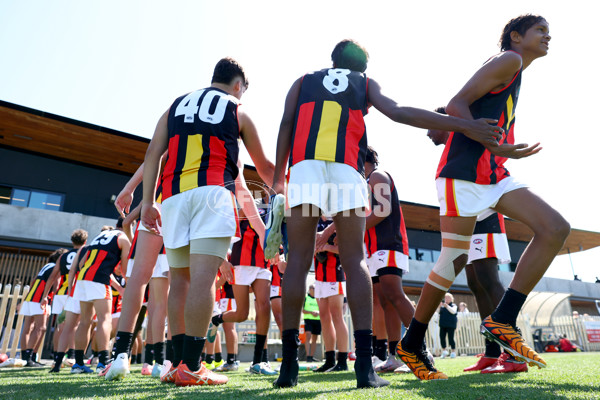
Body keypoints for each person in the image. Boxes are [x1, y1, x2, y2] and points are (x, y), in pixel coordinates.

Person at [269, 38, 503, 389]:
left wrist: (277, 179)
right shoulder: (364, 83)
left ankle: (288, 367)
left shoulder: (302, 81)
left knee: (299, 258)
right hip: (347, 168)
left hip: (303, 168)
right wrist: (465, 125)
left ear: (333, 60)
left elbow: (286, 123)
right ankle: (365, 367)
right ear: (362, 67)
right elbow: (397, 111)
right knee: (355, 259)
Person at [397, 15, 570, 381]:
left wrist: (502, 149)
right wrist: (497, 144)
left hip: (491, 173)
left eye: (548, 31)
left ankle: (503, 318)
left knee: (554, 227)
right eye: (540, 30)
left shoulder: (515, 69)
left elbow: (471, 114)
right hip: (463, 174)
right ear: (516, 36)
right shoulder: (510, 59)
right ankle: (412, 342)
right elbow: (456, 104)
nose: (548, 36)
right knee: (453, 261)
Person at [140, 57, 274, 387]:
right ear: (239, 85)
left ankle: (176, 364)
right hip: (212, 195)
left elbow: (152, 154)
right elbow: (261, 172)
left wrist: (147, 202)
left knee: (180, 281)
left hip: (172, 197)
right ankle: (194, 365)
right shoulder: (236, 109)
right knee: (204, 280)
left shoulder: (175, 106)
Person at [208, 200, 277, 376]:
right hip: (241, 262)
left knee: (264, 307)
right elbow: (223, 232)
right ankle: (216, 320)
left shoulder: (275, 209)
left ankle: (259, 360)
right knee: (241, 314)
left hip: (264, 262)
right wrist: (223, 259)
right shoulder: (245, 207)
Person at [71, 226, 130, 373]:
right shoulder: (123, 238)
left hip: (83, 278)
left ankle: (78, 364)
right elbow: (125, 268)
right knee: (105, 319)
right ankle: (103, 362)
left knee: (85, 321)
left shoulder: (99, 236)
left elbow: (81, 263)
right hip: (99, 280)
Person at [42, 229, 88, 362]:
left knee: (60, 326)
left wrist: (45, 295)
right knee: (75, 325)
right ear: (85, 241)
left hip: (60, 293)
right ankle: (72, 356)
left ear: (72, 241)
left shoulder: (63, 256)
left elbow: (52, 276)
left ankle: (57, 356)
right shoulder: (84, 252)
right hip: (75, 293)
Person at [19, 248, 67, 367]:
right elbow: (56, 285)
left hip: (31, 298)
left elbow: (32, 281)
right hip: (40, 299)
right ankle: (30, 358)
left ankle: (25, 357)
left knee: (27, 328)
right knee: (41, 328)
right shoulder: (56, 267)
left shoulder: (46, 266)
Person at [312, 219, 349, 373]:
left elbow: (346, 248)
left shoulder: (339, 221)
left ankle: (342, 361)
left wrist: (326, 246)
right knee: (324, 317)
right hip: (319, 275)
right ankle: (329, 360)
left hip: (336, 273)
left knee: (337, 316)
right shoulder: (314, 221)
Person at [302, 285, 321, 364]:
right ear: (310, 289)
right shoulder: (306, 298)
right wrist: (311, 312)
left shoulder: (319, 298)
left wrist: (318, 312)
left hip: (317, 320)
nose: (315, 290)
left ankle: (312, 356)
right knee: (308, 336)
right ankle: (308, 356)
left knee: (315, 339)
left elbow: (322, 309)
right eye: (313, 288)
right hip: (308, 319)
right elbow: (302, 310)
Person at [438, 293, 458, 359]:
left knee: (451, 338)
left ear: (451, 298)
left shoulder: (454, 305)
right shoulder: (442, 306)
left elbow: (453, 311)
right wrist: (439, 307)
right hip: (443, 325)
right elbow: (438, 313)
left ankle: (453, 352)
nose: (446, 299)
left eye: (448, 297)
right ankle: (444, 351)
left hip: (451, 325)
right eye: (445, 298)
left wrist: (447, 306)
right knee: (442, 338)